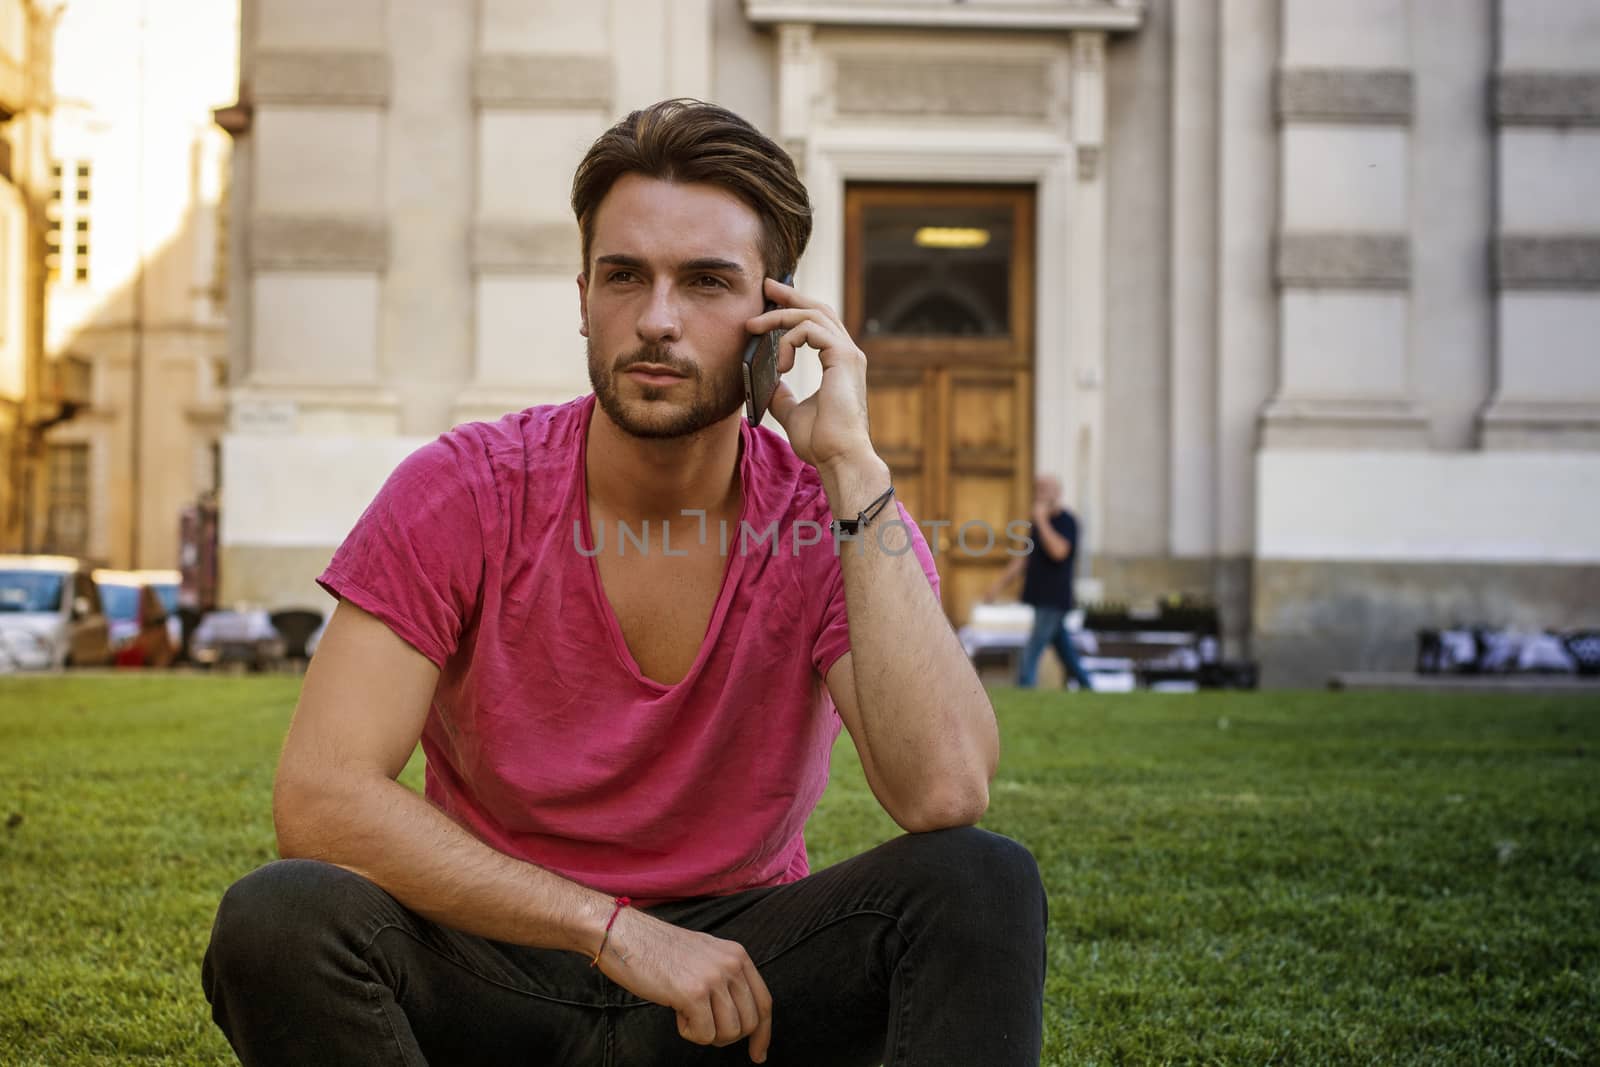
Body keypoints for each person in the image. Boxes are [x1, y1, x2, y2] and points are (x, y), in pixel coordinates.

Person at [201, 99, 1046, 1066]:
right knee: (280, 916)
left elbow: (944, 791)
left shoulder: (830, 514)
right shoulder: (466, 488)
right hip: (498, 962)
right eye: (625, 277)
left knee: (982, 884)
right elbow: (318, 797)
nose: (656, 320)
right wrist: (613, 929)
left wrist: (851, 470)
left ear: (776, 317)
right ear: (582, 297)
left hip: (735, 991)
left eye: (706, 283)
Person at [983, 475, 1094, 691]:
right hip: (1039, 597)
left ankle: (1024, 688)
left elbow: (1059, 552)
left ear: (1057, 493)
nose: (1040, 493)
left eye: (1046, 489)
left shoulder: (1067, 521)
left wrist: (1042, 521)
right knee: (1065, 650)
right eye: (1038, 489)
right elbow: (1024, 558)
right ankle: (1087, 686)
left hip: (1054, 599)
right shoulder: (1037, 524)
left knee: (1032, 649)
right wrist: (997, 586)